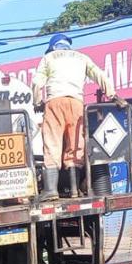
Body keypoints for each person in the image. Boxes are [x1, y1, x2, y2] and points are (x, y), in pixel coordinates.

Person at [31, 33, 118, 200]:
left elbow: (36, 82)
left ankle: (51, 190)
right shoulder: (81, 57)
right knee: (75, 144)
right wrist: (112, 95)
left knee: (52, 143)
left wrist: (37, 102)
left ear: (52, 47)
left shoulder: (49, 58)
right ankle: (74, 190)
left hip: (55, 102)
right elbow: (100, 75)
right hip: (77, 104)